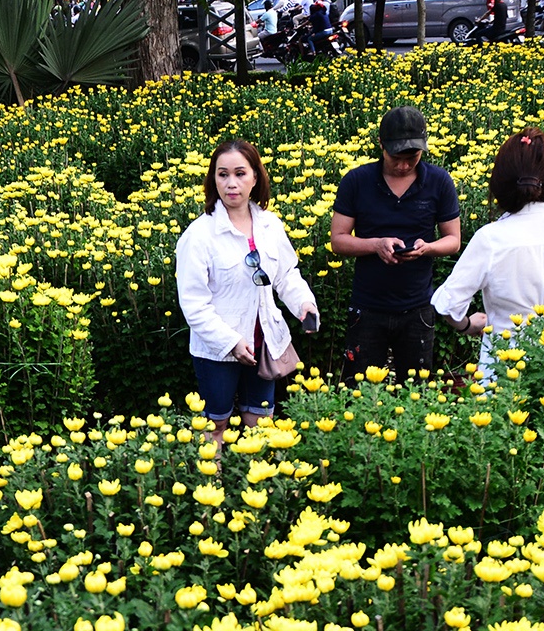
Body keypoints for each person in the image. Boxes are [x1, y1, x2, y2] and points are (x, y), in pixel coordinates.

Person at [174, 139, 321, 445]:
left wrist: (304, 305)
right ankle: (213, 476)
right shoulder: (199, 235)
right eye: (223, 174)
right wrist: (230, 342)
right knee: (216, 424)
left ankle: (258, 475)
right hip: (217, 350)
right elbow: (194, 304)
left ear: (255, 177)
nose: (232, 183)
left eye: (240, 174)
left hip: (264, 342)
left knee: (261, 421)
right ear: (213, 179)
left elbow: (286, 275)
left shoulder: (270, 225)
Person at [431, 130, 544, 380]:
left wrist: (467, 325)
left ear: (500, 180)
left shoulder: (491, 239)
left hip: (504, 373)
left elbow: (448, 304)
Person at [329, 106, 464, 379]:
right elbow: (338, 241)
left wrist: (427, 248)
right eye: (396, 158)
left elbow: (453, 240)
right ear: (381, 144)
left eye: (412, 158)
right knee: (359, 391)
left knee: (416, 390)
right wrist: (376, 245)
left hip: (418, 307)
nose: (403, 165)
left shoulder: (439, 181)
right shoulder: (357, 181)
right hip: (368, 307)